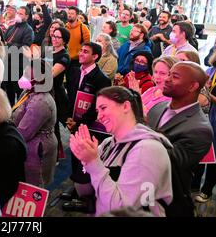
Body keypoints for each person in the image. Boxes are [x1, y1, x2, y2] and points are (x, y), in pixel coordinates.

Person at [70, 86, 173, 216]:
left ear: (125, 106)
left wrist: (92, 161)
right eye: (97, 111)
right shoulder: (108, 144)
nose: (99, 116)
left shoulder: (147, 150)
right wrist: (84, 159)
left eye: (103, 108)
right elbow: (84, 191)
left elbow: (121, 210)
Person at [147, 61, 213, 216]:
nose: (167, 79)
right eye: (168, 74)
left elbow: (168, 162)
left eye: (174, 76)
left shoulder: (200, 129)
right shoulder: (158, 108)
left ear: (192, 87)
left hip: (166, 200)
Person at [62, 42, 111, 212]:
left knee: (86, 157)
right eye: (81, 50)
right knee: (75, 154)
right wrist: (69, 118)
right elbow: (71, 96)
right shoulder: (75, 72)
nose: (81, 54)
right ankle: (76, 185)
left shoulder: (102, 79)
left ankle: (86, 195)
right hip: (73, 121)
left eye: (85, 52)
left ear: (95, 56)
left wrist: (82, 122)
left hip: (89, 125)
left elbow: (99, 106)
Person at [12, 60, 57, 187]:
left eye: (27, 75)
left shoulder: (41, 101)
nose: (23, 77)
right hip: (28, 147)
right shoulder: (28, 92)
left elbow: (24, 132)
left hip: (37, 151)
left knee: (34, 189)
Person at [192, 41, 216, 203]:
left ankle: (207, 190)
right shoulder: (210, 71)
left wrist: (208, 94)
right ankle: (195, 185)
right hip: (201, 118)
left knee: (214, 157)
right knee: (199, 152)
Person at [47, 27, 71, 160]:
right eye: (53, 36)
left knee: (57, 125)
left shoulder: (64, 56)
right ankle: (55, 154)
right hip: (47, 91)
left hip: (57, 95)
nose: (54, 39)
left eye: (58, 37)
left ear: (65, 41)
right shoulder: (50, 51)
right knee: (51, 125)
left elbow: (49, 74)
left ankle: (56, 156)